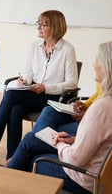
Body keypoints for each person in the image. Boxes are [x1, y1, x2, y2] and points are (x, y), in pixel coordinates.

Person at [0, 10, 78, 160]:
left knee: (11, 94)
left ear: (56, 27)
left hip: (54, 98)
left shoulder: (67, 50)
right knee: (15, 109)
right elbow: (29, 72)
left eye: (43, 24)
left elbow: (72, 83)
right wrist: (25, 81)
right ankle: (12, 158)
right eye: (38, 23)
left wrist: (46, 87)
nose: (38, 27)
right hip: (34, 93)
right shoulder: (35, 46)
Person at [7, 41, 112, 194]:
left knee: (33, 158)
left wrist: (60, 145)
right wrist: (72, 140)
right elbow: (101, 140)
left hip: (84, 179)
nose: (94, 65)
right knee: (30, 140)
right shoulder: (106, 105)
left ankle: (4, 183)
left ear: (107, 67)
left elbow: (75, 159)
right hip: (96, 172)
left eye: (97, 60)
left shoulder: (101, 108)